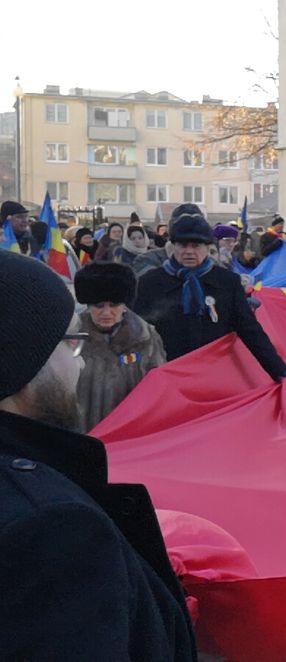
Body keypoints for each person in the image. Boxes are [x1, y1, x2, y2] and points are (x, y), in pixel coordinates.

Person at [0, 250, 197, 658]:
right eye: (67, 347)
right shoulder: (56, 527)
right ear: (20, 363)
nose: (77, 366)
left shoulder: (146, 338)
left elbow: (159, 393)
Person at [133, 206, 286, 383]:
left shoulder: (226, 282)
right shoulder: (151, 283)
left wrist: (278, 370)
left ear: (208, 247)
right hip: (166, 373)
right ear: (173, 246)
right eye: (183, 245)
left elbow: (250, 330)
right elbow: (136, 333)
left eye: (196, 245)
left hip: (213, 374)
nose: (189, 251)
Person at [73, 262, 167, 432]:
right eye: (99, 306)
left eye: (114, 305)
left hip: (129, 432)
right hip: (81, 434)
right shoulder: (71, 338)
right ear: (88, 305)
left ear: (124, 305)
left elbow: (158, 387)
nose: (106, 313)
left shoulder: (146, 338)